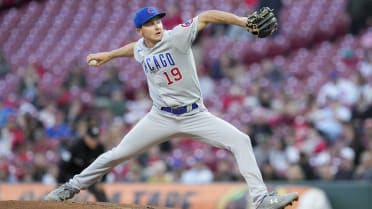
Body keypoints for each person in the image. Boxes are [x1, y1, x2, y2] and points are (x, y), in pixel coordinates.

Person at [44, 6, 298, 209]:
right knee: (117, 154)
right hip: (160, 117)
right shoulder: (142, 47)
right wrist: (109, 55)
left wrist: (244, 22)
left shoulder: (176, 36)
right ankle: (69, 188)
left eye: (158, 21)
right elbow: (134, 49)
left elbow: (207, 15)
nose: (157, 26)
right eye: (150, 24)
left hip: (195, 115)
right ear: (140, 30)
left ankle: (262, 200)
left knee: (241, 141)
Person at [56, 125, 108, 202]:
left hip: (88, 176)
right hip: (71, 176)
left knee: (101, 194)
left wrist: (103, 181)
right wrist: (60, 183)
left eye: (96, 139)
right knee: (61, 196)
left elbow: (106, 165)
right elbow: (62, 165)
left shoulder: (100, 148)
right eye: (92, 138)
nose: (94, 141)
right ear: (86, 137)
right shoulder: (75, 146)